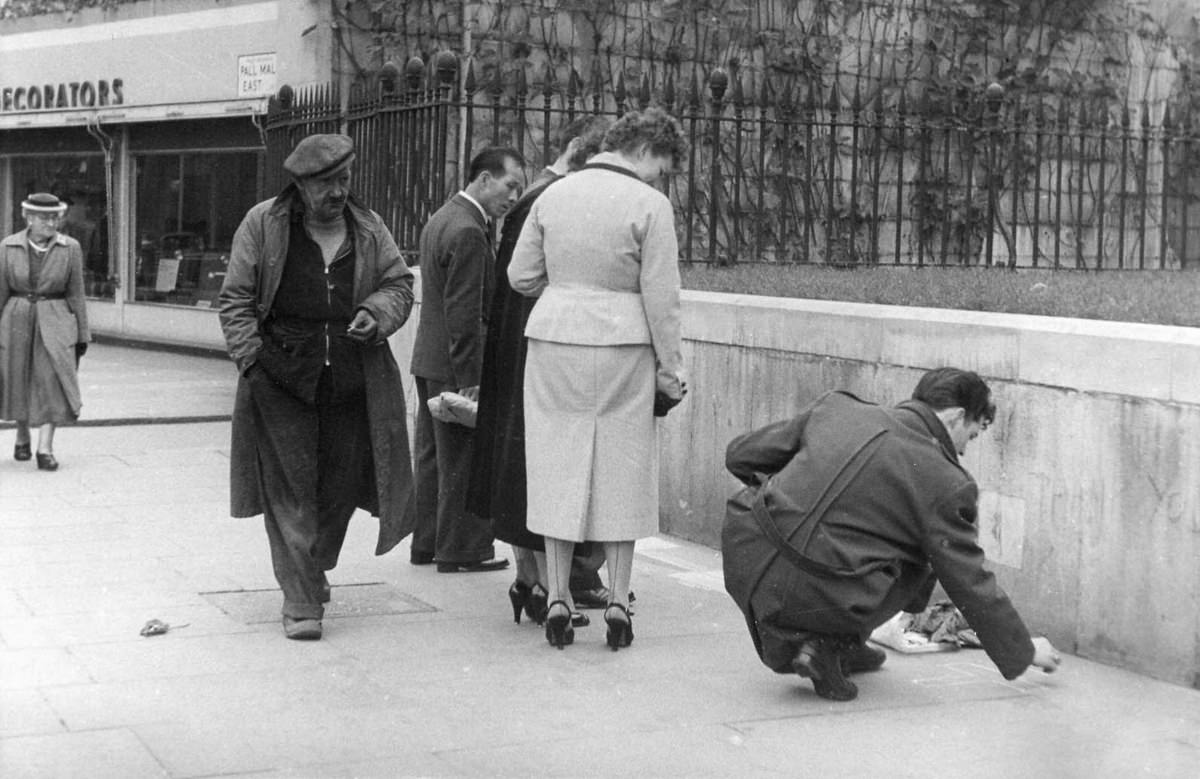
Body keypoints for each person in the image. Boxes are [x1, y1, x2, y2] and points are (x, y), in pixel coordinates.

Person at [721, 368, 1062, 701]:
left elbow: (740, 456)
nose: (963, 451)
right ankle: (832, 642)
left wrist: (788, 494)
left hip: (746, 557)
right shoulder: (948, 481)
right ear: (957, 417)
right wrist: (1024, 650)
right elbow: (968, 581)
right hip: (820, 593)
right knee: (925, 558)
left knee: (857, 538)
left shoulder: (836, 407)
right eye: (971, 436)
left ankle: (833, 642)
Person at [218, 133, 416, 641]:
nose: (338, 192)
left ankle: (313, 565)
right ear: (301, 185)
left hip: (351, 378)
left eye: (344, 180)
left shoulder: (369, 228)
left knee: (341, 488)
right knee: (290, 493)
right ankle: (301, 600)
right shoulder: (263, 223)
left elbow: (399, 284)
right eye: (327, 183)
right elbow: (236, 299)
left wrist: (377, 313)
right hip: (280, 377)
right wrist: (251, 363)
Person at [508, 107, 689, 650]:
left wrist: (566, 294)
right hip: (623, 346)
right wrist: (670, 368)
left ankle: (557, 595)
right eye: (664, 164)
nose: (663, 176)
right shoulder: (650, 204)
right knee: (623, 468)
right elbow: (662, 297)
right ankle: (618, 601)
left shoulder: (552, 194)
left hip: (555, 340)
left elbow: (520, 276)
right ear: (648, 149)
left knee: (555, 463)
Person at [466, 117, 612, 624]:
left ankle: (531, 578)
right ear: (579, 152)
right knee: (540, 465)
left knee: (523, 463)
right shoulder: (550, 198)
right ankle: (547, 583)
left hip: (519, 348)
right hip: (536, 351)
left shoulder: (539, 197)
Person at [410, 147, 526, 574]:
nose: (514, 196)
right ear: (483, 180)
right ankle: (461, 550)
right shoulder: (470, 231)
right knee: (462, 460)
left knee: (431, 459)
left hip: (429, 359)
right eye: (510, 185)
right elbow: (465, 312)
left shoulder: (444, 218)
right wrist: (471, 377)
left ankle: (426, 543)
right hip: (453, 364)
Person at [0, 193, 90, 472]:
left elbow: (76, 293)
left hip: (55, 319)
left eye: (54, 217)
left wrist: (82, 333)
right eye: (43, 217)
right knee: (18, 378)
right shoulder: (7, 246)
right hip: (16, 318)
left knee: (52, 379)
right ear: (28, 218)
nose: (51, 223)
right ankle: (23, 434)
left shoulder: (70, 248)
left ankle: (45, 448)